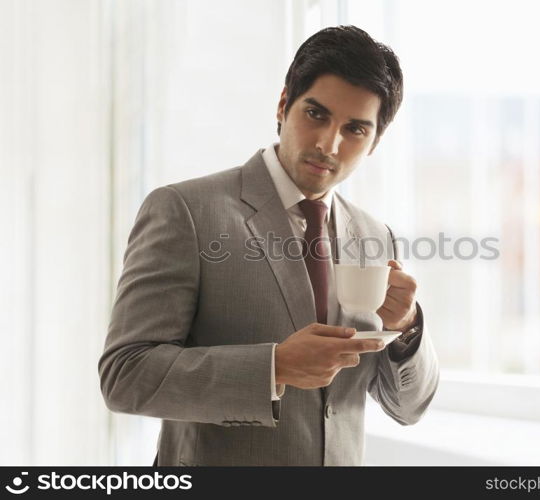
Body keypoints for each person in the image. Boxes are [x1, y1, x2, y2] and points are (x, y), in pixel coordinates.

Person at [98, 25, 439, 466]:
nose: (327, 144)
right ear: (283, 105)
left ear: (374, 142)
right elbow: (126, 376)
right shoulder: (185, 210)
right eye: (316, 114)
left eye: (354, 129)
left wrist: (408, 326)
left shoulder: (377, 237)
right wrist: (274, 367)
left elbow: (409, 408)